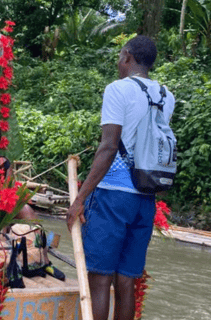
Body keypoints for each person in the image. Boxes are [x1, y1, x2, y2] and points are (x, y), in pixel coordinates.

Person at [66, 35, 175, 320]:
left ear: (127, 56)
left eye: (119, 57)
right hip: (146, 196)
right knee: (126, 280)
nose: (118, 62)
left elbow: (109, 146)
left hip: (113, 195)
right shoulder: (167, 95)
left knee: (100, 278)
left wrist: (80, 198)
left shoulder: (118, 90)